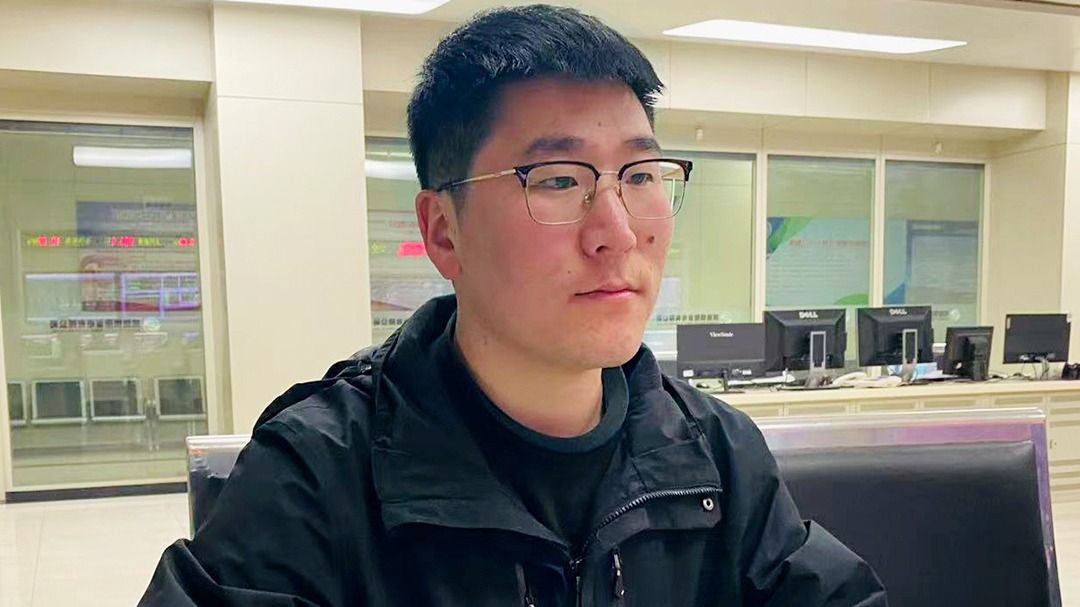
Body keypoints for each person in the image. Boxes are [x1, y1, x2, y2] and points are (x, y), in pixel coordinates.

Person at [140, 5, 887, 606]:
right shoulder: (315, 474)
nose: (618, 230)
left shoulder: (714, 451)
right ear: (444, 231)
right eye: (558, 180)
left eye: (640, 175)